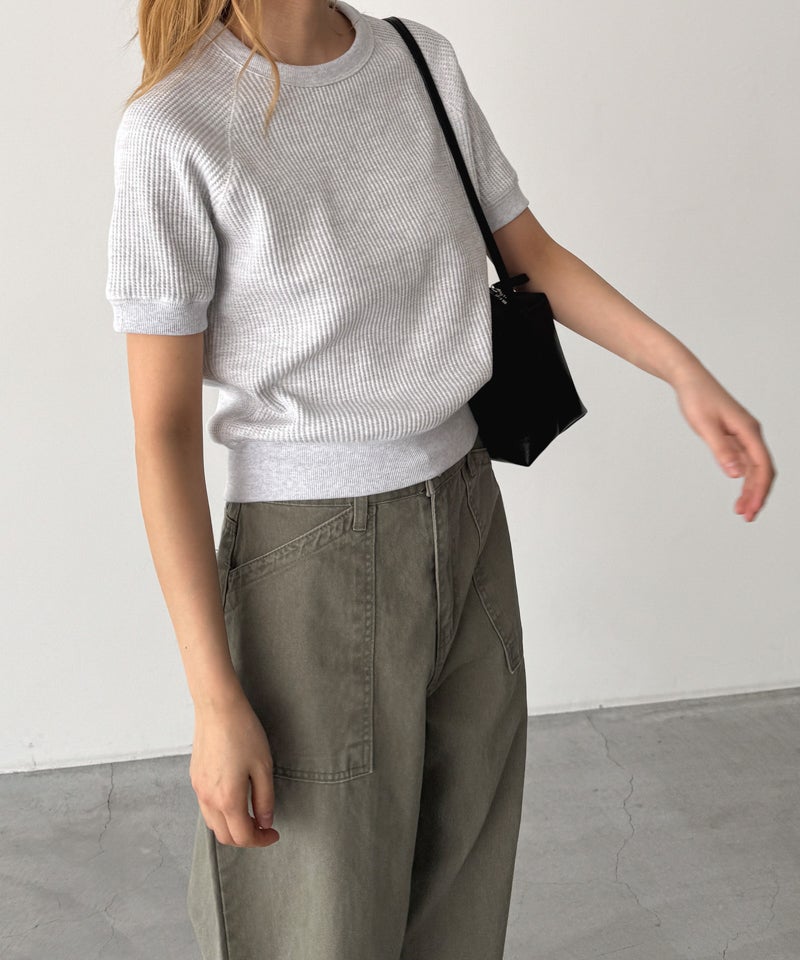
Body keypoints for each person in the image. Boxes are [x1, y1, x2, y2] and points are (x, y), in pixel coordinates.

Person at [104, 1, 777, 958]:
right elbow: (162, 432)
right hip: (308, 561)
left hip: (466, 516)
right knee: (313, 924)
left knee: (463, 902)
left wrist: (681, 370)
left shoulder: (416, 60)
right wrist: (214, 699)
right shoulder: (174, 127)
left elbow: (527, 252)